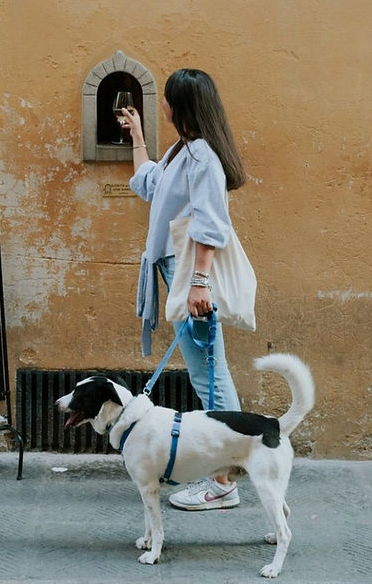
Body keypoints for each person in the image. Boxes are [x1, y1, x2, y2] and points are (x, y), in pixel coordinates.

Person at [122, 68, 247, 511]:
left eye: (167, 99)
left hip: (188, 272)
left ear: (181, 106)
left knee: (211, 376)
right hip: (178, 270)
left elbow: (213, 226)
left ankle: (223, 482)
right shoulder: (183, 151)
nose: (163, 105)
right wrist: (137, 135)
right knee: (207, 373)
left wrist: (198, 283)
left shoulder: (201, 159)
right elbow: (149, 185)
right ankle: (225, 473)